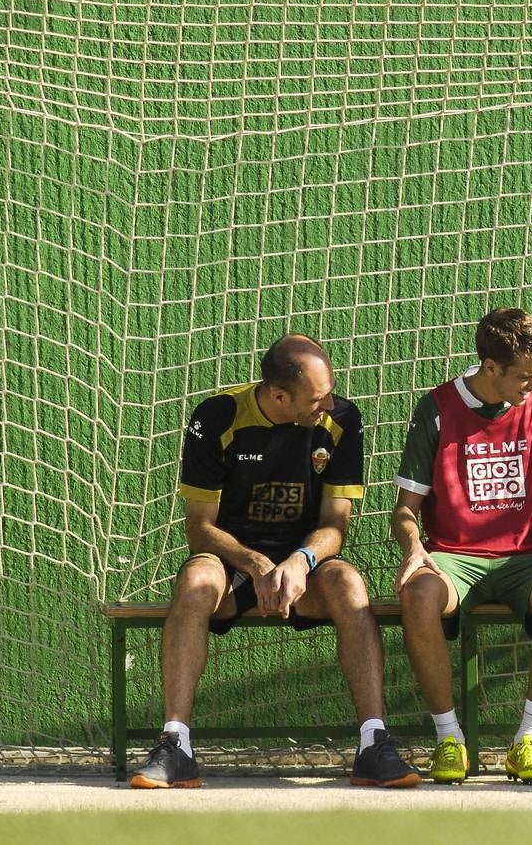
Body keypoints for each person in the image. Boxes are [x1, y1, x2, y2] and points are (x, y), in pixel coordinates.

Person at [130, 335, 419, 789]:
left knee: (350, 584)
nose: (328, 405)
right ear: (280, 396)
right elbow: (199, 529)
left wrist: (300, 561)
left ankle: (373, 743)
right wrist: (255, 563)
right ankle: (176, 745)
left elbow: (335, 527)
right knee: (195, 580)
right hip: (231, 565)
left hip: (304, 571)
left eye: (330, 393)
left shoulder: (342, 420)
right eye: (317, 399)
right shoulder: (217, 417)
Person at [392, 308, 532, 785]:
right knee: (417, 594)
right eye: (523, 377)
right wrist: (413, 547)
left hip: (528, 558)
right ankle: (448, 739)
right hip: (455, 558)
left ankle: (528, 740)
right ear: (491, 367)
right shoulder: (437, 408)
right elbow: (404, 509)